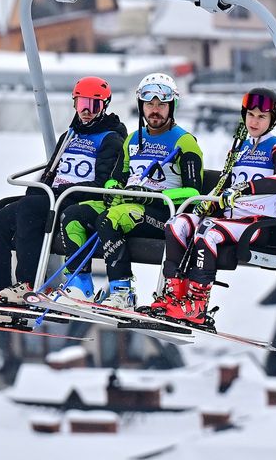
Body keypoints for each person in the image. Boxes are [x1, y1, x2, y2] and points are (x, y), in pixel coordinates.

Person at [0, 76, 127, 312]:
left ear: (104, 107)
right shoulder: (69, 136)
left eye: (93, 105)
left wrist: (59, 192)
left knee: (29, 210)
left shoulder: (111, 139)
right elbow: (51, 172)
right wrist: (36, 191)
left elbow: (102, 183)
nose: (86, 112)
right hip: (52, 197)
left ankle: (28, 285)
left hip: (77, 202)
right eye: (81, 105)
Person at [148, 86, 276, 325]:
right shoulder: (240, 148)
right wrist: (211, 202)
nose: (254, 121)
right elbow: (224, 183)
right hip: (228, 218)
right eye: (250, 115)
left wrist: (245, 189)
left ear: (272, 119)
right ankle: (175, 294)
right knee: (177, 224)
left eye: (261, 116)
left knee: (207, 232)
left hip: (255, 223)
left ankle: (197, 303)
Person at [58, 72, 204, 308]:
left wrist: (155, 196)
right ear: (141, 105)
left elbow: (193, 192)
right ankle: (80, 286)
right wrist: (115, 189)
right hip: (126, 205)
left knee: (109, 220)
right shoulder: (133, 140)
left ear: (172, 106)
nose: (154, 110)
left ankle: (122, 291)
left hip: (162, 214)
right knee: (73, 215)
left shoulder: (184, 142)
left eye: (161, 105)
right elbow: (114, 179)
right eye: (149, 104)